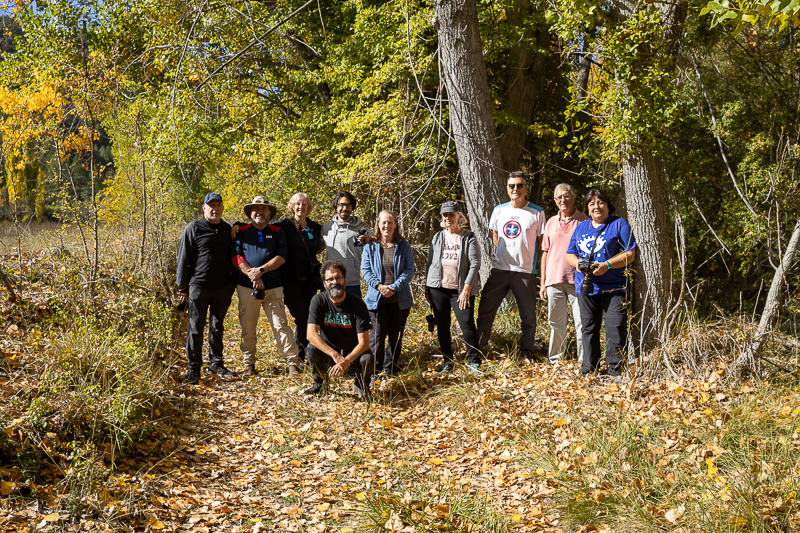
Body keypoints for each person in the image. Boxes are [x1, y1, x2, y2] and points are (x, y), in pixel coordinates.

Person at [565, 189, 637, 382]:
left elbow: (630, 254)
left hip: (615, 286)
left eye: (600, 202)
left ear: (607, 205)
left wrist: (607, 265)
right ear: (587, 208)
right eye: (592, 204)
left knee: (615, 327)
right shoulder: (581, 227)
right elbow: (569, 254)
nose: (596, 206)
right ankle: (589, 370)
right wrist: (578, 265)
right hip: (587, 287)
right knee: (588, 328)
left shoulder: (619, 224)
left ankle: (616, 371)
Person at [476, 171, 546, 358]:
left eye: (519, 185)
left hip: (525, 272)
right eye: (512, 186)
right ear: (507, 188)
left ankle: (526, 353)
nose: (515, 189)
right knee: (485, 310)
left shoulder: (537, 212)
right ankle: (479, 350)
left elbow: (541, 242)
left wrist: (529, 259)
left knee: (528, 316)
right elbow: (496, 236)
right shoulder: (499, 210)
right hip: (500, 270)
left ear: (526, 188)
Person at [231, 196, 301, 377]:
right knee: (248, 326)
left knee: (280, 325)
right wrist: (251, 274)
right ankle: (249, 364)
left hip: (273, 287)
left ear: (269, 213)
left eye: (264, 209)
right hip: (247, 287)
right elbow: (236, 256)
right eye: (256, 209)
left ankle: (292, 362)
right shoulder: (241, 231)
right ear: (250, 212)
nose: (259, 212)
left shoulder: (277, 231)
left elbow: (281, 256)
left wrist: (260, 271)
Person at [176, 192, 238, 384]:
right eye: (211, 205)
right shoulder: (193, 228)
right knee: (195, 328)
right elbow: (183, 259)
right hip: (198, 286)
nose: (215, 209)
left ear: (222, 208)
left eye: (218, 205)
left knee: (217, 326)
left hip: (223, 287)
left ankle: (216, 363)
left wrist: (238, 226)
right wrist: (182, 288)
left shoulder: (228, 229)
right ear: (204, 207)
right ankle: (193, 368)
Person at [303, 260, 375, 400]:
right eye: (330, 279)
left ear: (345, 280)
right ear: (324, 283)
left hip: (353, 355)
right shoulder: (318, 300)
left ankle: (361, 385)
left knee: (368, 358)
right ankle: (320, 384)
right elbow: (311, 334)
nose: (334, 282)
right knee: (311, 348)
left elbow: (364, 343)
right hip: (329, 353)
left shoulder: (358, 304)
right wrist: (336, 356)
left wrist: (345, 361)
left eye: (338, 278)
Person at [424, 201, 482, 373]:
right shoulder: (437, 237)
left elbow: (475, 264)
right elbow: (430, 263)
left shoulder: (468, 236)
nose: (447, 217)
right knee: (442, 325)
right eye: (444, 215)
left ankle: (474, 361)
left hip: (460, 290)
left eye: (451, 214)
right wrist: (428, 287)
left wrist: (466, 290)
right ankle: (447, 360)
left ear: (459, 215)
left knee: (467, 324)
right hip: (438, 288)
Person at [539, 184, 589, 365]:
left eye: (566, 196)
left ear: (574, 197)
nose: (563, 200)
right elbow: (545, 252)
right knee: (556, 324)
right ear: (554, 201)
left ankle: (584, 361)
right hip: (553, 280)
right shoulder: (551, 222)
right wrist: (543, 282)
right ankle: (555, 361)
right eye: (559, 197)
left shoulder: (584, 221)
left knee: (582, 324)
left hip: (577, 280)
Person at [361, 210, 415, 375]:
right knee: (376, 337)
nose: (387, 226)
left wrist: (394, 287)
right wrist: (379, 286)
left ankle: (390, 368)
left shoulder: (404, 246)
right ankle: (375, 369)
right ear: (378, 225)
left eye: (390, 222)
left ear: (395, 225)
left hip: (399, 300)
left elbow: (409, 269)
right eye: (383, 222)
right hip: (376, 301)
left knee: (395, 336)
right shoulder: (371, 246)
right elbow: (365, 270)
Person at [275, 193, 323, 365]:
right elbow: (261, 226)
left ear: (308, 207)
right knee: (302, 318)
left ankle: (304, 355)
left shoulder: (316, 227)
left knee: (309, 318)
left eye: (304, 204)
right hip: (290, 280)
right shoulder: (282, 225)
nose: (301, 207)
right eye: (297, 204)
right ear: (292, 206)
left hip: (310, 280)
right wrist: (238, 226)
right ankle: (301, 356)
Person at [321, 191, 373, 296]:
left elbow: (376, 246)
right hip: (330, 282)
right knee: (329, 313)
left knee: (354, 312)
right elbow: (315, 246)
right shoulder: (326, 228)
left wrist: (371, 239)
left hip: (352, 282)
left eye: (348, 205)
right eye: (341, 205)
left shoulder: (362, 229)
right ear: (336, 206)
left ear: (352, 207)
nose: (344, 208)